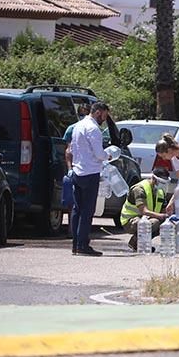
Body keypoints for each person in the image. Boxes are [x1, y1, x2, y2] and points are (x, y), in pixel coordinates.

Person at [67, 101, 112, 256]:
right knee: (87, 210)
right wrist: (108, 155)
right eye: (104, 115)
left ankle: (75, 244)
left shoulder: (78, 126)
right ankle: (82, 245)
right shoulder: (93, 129)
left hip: (77, 171)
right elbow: (99, 154)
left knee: (77, 209)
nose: (104, 120)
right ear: (98, 112)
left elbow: (72, 149)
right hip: (90, 172)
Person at [121, 168, 174, 251]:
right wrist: (162, 216)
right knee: (154, 223)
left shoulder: (160, 192)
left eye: (165, 183)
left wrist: (169, 215)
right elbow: (144, 211)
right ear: (153, 178)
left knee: (166, 225)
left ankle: (142, 243)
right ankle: (135, 242)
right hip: (130, 220)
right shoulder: (139, 189)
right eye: (162, 182)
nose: (163, 185)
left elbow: (164, 210)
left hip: (147, 218)